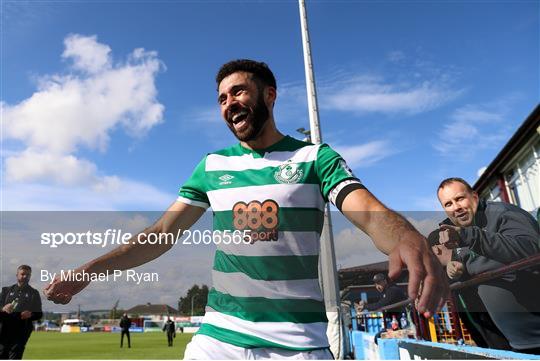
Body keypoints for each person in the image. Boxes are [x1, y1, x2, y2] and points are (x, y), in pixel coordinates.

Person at [43, 59, 448, 359]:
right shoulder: (212, 166)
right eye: (221, 98)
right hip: (219, 338)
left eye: (238, 91)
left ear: (269, 95)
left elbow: (365, 209)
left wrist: (405, 236)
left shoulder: (314, 157)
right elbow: (160, 235)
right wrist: (88, 271)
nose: (229, 103)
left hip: (299, 343)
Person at [434, 177, 540, 354]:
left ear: (474, 196)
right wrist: (457, 269)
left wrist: (470, 236)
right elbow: (473, 262)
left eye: (460, 199)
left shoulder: (504, 214)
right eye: (448, 204)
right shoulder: (459, 230)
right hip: (508, 342)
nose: (456, 207)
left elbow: (531, 251)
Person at [0, 265, 43, 359]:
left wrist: (31, 314)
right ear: (17, 275)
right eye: (23, 274)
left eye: (28, 275)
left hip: (21, 332)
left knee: (15, 356)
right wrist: (3, 309)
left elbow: (39, 314)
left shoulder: (34, 293)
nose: (25, 276)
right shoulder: (6, 291)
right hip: (3, 331)